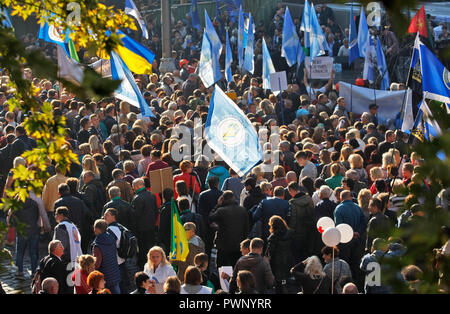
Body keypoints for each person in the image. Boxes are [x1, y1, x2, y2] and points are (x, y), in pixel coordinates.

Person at [209, 190, 250, 268]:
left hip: (223, 245)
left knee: (222, 267)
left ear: (223, 199)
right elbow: (247, 228)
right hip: (238, 244)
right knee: (236, 267)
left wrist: (217, 205)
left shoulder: (221, 211)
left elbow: (211, 217)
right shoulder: (242, 210)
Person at [103, 208, 133, 294]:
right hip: (122, 260)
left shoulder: (110, 229)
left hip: (115, 262)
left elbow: (110, 245)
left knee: (118, 287)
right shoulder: (121, 226)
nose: (104, 216)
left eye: (107, 214)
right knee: (124, 287)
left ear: (113, 216)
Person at [131, 178, 158, 269]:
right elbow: (156, 210)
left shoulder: (137, 198)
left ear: (138, 186)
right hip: (151, 226)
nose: (132, 188)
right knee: (150, 246)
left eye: (133, 186)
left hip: (141, 228)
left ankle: (145, 265)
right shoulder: (151, 195)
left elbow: (135, 215)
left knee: (143, 249)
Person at [91, 219, 121, 294]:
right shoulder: (111, 239)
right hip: (115, 273)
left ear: (97, 229)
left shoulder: (98, 245)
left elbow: (97, 264)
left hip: (104, 278)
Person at [287, 182, 315, 263]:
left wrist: (291, 230)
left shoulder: (292, 203)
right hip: (309, 230)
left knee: (297, 255)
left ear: (292, 190)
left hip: (298, 232)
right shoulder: (309, 198)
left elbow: (293, 219)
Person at [265, 216, 294, 294]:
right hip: (287, 258)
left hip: (276, 261)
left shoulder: (273, 237)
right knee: (284, 278)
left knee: (278, 281)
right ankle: (285, 288)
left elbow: (270, 251)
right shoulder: (290, 234)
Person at [53, 206, 83, 271]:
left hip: (66, 259)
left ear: (61, 215)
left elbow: (61, 245)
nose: (55, 216)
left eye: (56, 214)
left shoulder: (61, 227)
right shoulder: (73, 225)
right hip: (75, 257)